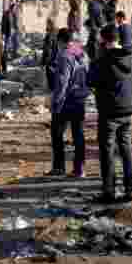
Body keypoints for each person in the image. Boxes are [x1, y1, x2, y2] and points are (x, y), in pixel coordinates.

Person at [89, 23, 132, 203]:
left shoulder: (104, 60)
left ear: (103, 39)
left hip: (109, 112)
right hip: (127, 110)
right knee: (126, 149)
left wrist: (97, 55)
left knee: (108, 152)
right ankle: (130, 189)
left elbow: (91, 80)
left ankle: (109, 190)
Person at [47, 29, 89, 178]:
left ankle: (59, 167)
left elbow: (62, 83)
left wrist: (55, 102)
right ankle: (79, 168)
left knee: (57, 133)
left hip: (67, 100)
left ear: (60, 41)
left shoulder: (64, 56)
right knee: (78, 134)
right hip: (80, 98)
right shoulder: (81, 53)